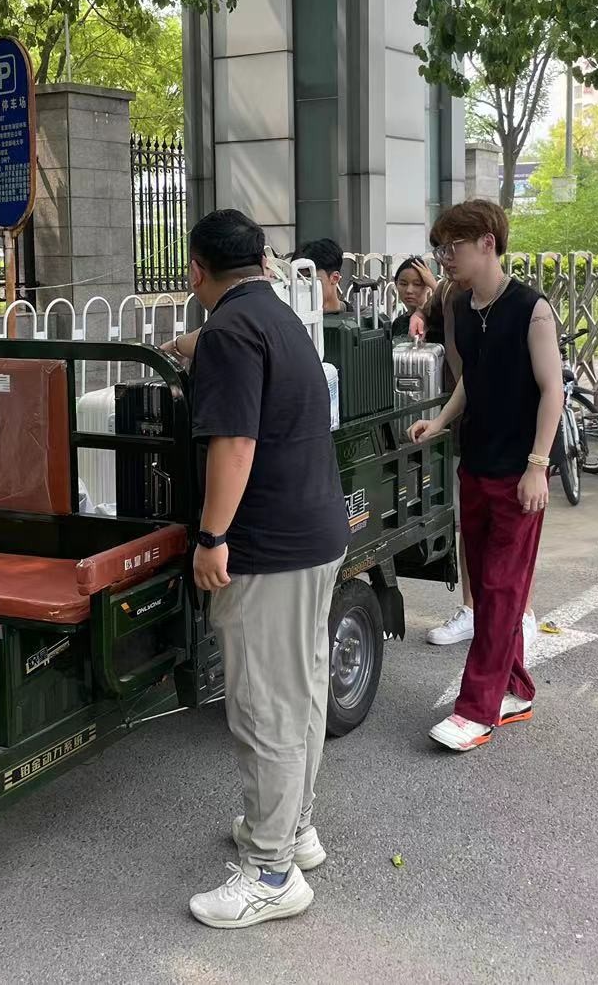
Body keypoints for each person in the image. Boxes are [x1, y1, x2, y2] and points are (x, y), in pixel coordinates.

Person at [181, 209, 351, 927]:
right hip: (316, 535)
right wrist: (189, 346)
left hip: (267, 547)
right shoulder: (278, 317)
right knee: (301, 694)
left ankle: (271, 873)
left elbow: (235, 443)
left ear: (197, 271)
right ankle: (292, 829)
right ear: (263, 263)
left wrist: (212, 536)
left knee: (265, 707)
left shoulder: (230, 331)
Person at [411, 200, 563, 752]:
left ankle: (476, 710)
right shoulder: (458, 305)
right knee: (490, 584)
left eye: (452, 247)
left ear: (487, 243)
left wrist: (538, 466)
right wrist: (440, 421)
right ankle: (515, 689)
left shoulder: (531, 309)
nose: (444, 258)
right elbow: (470, 382)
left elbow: (552, 390)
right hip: (474, 463)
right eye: (440, 248)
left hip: (519, 473)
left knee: (499, 591)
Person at [390, 257, 439, 339]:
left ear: (428, 286)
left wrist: (434, 285)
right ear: (396, 284)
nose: (409, 290)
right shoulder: (398, 323)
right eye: (403, 284)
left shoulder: (436, 319)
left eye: (417, 284)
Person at [296, 238, 346, 314]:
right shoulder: (290, 317)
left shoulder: (358, 316)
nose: (301, 284)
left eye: (309, 278)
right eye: (297, 278)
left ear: (334, 278)